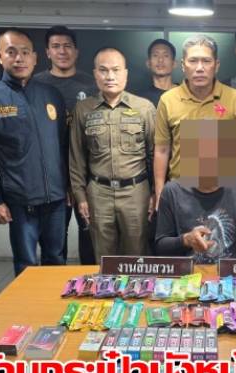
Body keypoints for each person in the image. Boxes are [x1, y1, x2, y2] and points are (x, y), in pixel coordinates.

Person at [0, 28, 68, 276]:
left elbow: (64, 145)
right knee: (26, 265)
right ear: (0, 56)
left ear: (35, 57)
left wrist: (70, 188)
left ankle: (52, 302)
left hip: (56, 200)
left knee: (56, 260)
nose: (19, 58)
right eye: (11, 52)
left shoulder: (51, 94)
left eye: (25, 52)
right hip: (20, 203)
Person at [69, 47, 156, 263]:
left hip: (136, 193)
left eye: (116, 70)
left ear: (125, 73)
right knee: (104, 258)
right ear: (95, 73)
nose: (110, 76)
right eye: (103, 70)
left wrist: (156, 192)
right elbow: (76, 157)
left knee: (138, 257)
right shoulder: (83, 109)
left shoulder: (144, 108)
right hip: (99, 194)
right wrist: (80, 196)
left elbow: (156, 154)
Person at [154, 34, 236, 209]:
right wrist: (160, 193)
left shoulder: (234, 98)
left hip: (223, 193)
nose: (199, 68)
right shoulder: (168, 100)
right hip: (180, 193)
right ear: (183, 65)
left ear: (216, 65)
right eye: (193, 61)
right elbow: (162, 150)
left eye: (206, 61)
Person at [155, 119, 236, 264]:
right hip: (185, 274)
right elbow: (160, 246)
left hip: (228, 275)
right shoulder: (172, 192)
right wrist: (185, 240)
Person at [33, 25, 96, 265]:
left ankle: (90, 282)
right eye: (56, 46)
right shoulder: (36, 85)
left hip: (87, 175)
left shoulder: (92, 85)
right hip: (52, 177)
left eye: (67, 46)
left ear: (76, 51)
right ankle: (54, 285)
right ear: (47, 52)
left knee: (90, 237)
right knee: (54, 243)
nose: (62, 51)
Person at [139, 39, 178, 107]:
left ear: (174, 63)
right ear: (148, 63)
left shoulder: (186, 94)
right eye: (155, 55)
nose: (160, 60)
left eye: (166, 55)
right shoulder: (140, 99)